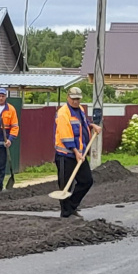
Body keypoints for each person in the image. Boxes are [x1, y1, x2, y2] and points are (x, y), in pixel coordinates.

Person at [53, 86, 95, 219]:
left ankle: (71, 207)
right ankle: (66, 213)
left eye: (78, 99)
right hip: (65, 155)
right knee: (66, 186)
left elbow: (83, 125)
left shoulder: (80, 110)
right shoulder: (63, 113)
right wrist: (76, 151)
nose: (76, 102)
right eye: (73, 99)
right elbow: (66, 136)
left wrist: (92, 126)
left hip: (79, 154)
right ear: (68, 98)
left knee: (86, 181)